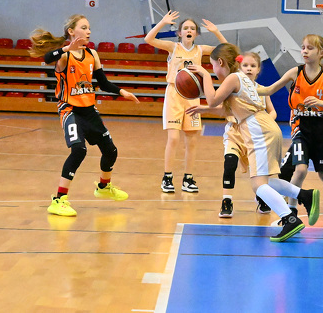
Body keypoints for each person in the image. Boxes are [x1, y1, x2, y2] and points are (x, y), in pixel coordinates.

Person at [188, 43, 320, 242]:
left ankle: (289, 218)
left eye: (213, 66)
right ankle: (304, 195)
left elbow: (213, 100)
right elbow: (229, 109)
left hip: (258, 129)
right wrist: (204, 109)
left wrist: (205, 76)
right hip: (266, 126)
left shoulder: (233, 78)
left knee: (258, 185)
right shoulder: (241, 78)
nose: (213, 70)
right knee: (268, 181)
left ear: (221, 62)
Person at [29, 14, 139, 217]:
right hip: (69, 109)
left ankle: (104, 187)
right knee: (79, 150)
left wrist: (122, 91)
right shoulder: (64, 56)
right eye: (84, 27)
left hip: (89, 109)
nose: (89, 31)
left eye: (89, 28)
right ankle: (59, 200)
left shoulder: (92, 54)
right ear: (71, 31)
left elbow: (103, 83)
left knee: (111, 151)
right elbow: (47, 58)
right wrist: (66, 48)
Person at [257, 34, 323, 225]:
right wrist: (243, 88)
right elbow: (270, 89)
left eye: (310, 48)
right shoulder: (295, 72)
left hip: (321, 129)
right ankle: (291, 211)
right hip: (300, 128)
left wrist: (321, 104)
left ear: (321, 53)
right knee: (299, 170)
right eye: (303, 47)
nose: (305, 51)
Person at [144, 11, 227, 193]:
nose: (189, 30)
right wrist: (162, 22)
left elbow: (226, 49)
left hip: (192, 96)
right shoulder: (173, 47)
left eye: (192, 28)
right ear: (179, 33)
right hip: (174, 93)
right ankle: (167, 177)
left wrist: (216, 32)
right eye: (185, 28)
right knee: (173, 138)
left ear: (196, 33)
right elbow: (148, 39)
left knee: (192, 140)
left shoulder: (200, 50)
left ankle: (188, 179)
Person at [186, 51, 274, 217]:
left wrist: (265, 121)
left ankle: (262, 196)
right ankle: (227, 201)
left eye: (253, 66)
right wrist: (205, 109)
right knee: (229, 164)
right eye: (245, 65)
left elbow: (273, 112)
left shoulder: (262, 90)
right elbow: (224, 108)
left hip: (254, 134)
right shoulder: (235, 86)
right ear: (239, 67)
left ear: (258, 69)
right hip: (235, 132)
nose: (249, 68)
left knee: (258, 171)